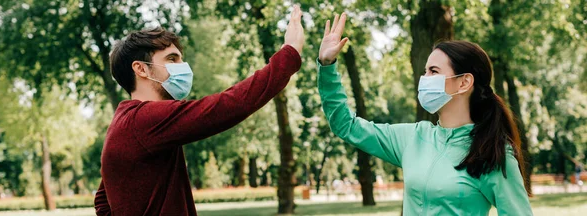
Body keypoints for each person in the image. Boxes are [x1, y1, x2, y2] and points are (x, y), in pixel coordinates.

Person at [94, 6, 304, 216]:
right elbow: (229, 106)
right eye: (172, 59)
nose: (183, 66)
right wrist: (289, 54)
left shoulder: (125, 121)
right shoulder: (145, 119)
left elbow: (103, 201)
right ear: (141, 69)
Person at [316, 13, 532, 215]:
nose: (425, 79)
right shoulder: (413, 138)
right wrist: (327, 67)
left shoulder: (493, 153)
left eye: (433, 71)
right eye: (425, 71)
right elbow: (346, 125)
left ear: (464, 82)